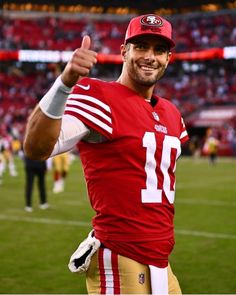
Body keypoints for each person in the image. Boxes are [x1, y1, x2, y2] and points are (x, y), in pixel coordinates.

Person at [24, 14, 189, 294]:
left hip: (162, 260)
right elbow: (37, 148)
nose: (150, 56)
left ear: (168, 58)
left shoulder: (172, 113)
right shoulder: (99, 95)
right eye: (141, 47)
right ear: (124, 51)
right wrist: (65, 83)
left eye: (158, 50)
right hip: (121, 257)